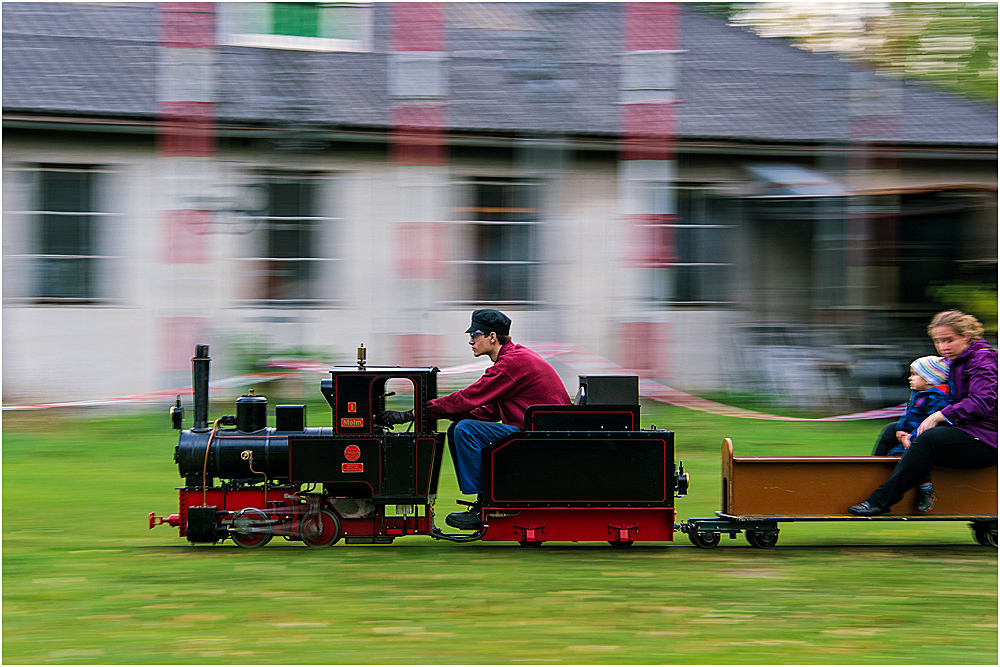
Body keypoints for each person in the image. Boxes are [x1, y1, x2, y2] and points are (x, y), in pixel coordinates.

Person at [376, 309, 571, 530]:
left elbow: (468, 397)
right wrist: (449, 414)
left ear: (492, 337)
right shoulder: (514, 359)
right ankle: (486, 499)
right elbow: (490, 411)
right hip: (538, 432)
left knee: (465, 430)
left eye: (475, 335)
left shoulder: (512, 364)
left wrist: (410, 414)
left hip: (540, 438)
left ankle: (486, 506)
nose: (471, 341)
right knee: (458, 427)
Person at [850, 310, 997, 516]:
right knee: (891, 431)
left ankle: (881, 501)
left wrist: (939, 416)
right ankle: (865, 489)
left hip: (987, 439)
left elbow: (983, 401)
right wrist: (906, 428)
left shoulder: (983, 360)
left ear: (966, 336)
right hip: (963, 427)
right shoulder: (955, 359)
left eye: (949, 340)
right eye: (938, 341)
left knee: (927, 439)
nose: (943, 347)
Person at [870, 355, 951, 511]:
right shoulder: (917, 394)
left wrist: (912, 438)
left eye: (915, 374)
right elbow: (908, 414)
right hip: (910, 436)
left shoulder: (938, 398)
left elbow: (928, 425)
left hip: (921, 439)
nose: (910, 378)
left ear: (929, 379)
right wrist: (901, 429)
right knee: (893, 450)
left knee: (908, 456)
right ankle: (873, 478)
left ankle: (926, 489)